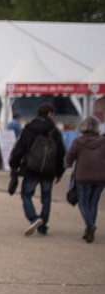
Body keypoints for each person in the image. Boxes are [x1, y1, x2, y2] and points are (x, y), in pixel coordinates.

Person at [9, 102, 66, 236]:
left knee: (26, 195)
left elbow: (20, 148)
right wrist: (59, 172)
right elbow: (60, 153)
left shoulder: (29, 128)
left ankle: (34, 218)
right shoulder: (55, 131)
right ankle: (43, 226)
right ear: (50, 114)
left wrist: (14, 164)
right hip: (49, 171)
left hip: (31, 168)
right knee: (46, 198)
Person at [64, 115, 105, 243]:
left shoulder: (78, 141)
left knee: (83, 203)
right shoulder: (103, 141)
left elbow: (69, 158)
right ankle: (89, 230)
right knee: (93, 203)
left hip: (83, 176)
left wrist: (66, 165)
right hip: (101, 177)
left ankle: (90, 226)